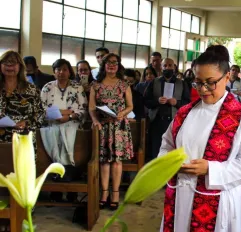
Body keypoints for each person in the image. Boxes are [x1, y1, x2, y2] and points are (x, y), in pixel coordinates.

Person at [155, 45, 241, 232]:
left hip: (217, 201)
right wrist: (168, 163)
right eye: (198, 82)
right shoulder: (185, 112)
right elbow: (167, 143)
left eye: (210, 83)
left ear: (227, 76)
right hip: (180, 196)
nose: (203, 89)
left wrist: (211, 169)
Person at [88, 53, 134, 211]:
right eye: (108, 63)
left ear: (119, 65)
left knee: (116, 161)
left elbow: (130, 106)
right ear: (103, 65)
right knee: (104, 161)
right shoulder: (95, 85)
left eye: (115, 63)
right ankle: (104, 193)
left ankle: (115, 194)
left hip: (118, 126)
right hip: (103, 126)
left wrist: (123, 113)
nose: (112, 65)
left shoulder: (124, 84)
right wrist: (94, 120)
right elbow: (92, 107)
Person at [40, 59, 87, 202]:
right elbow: (41, 109)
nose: (61, 72)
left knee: (70, 134)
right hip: (52, 124)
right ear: (54, 72)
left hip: (72, 124)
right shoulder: (47, 87)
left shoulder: (77, 87)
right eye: (58, 69)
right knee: (53, 134)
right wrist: (63, 112)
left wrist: (69, 116)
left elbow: (83, 109)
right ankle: (57, 191)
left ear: (69, 71)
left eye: (64, 69)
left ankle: (71, 190)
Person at [144, 58, 190, 161]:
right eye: (165, 66)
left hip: (175, 122)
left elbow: (188, 103)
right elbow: (146, 101)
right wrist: (157, 101)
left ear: (174, 67)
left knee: (173, 149)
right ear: (161, 67)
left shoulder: (182, 83)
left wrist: (177, 103)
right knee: (156, 150)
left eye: (170, 65)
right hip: (157, 121)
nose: (167, 68)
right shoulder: (154, 82)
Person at [0, 51, 45, 143]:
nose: (9, 66)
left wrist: (27, 123)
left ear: (20, 66)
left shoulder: (31, 90)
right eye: (6, 63)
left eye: (13, 63)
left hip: (23, 139)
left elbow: (41, 113)